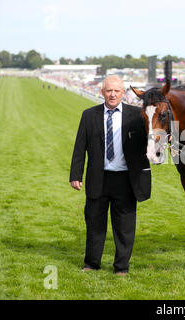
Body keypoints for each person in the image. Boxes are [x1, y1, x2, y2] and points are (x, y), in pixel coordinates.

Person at [70, 75, 151, 276]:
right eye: (109, 90)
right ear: (102, 92)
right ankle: (91, 264)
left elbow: (150, 141)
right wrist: (75, 174)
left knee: (124, 227)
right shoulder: (89, 115)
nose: (112, 94)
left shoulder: (136, 115)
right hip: (98, 178)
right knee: (94, 224)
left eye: (116, 91)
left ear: (123, 93)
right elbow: (80, 147)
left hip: (125, 180)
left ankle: (121, 268)